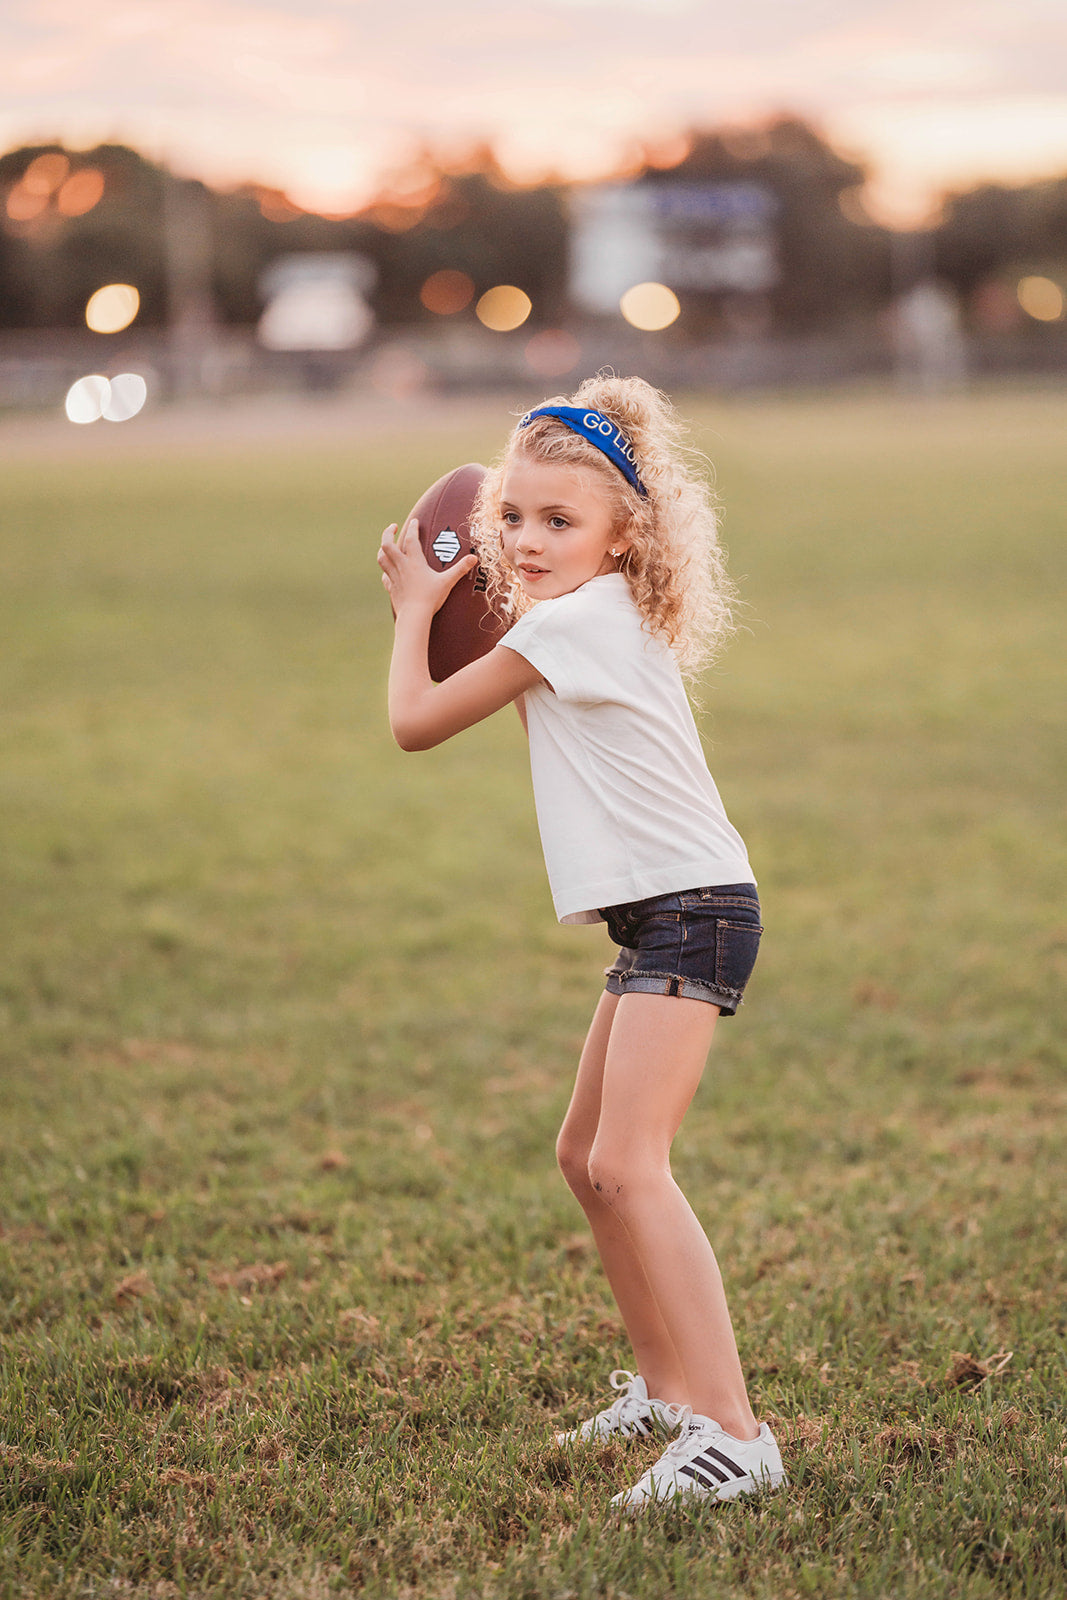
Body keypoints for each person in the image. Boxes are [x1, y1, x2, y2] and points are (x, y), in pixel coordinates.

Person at [377, 374, 786, 1511]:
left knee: (626, 1163)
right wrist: (489, 587)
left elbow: (416, 722)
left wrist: (419, 605)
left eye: (560, 521)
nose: (525, 537)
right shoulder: (575, 622)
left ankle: (735, 1434)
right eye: (511, 515)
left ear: (625, 537)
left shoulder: (580, 621)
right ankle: (666, 1392)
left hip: (691, 909)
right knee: (582, 1157)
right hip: (668, 909)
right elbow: (509, 689)